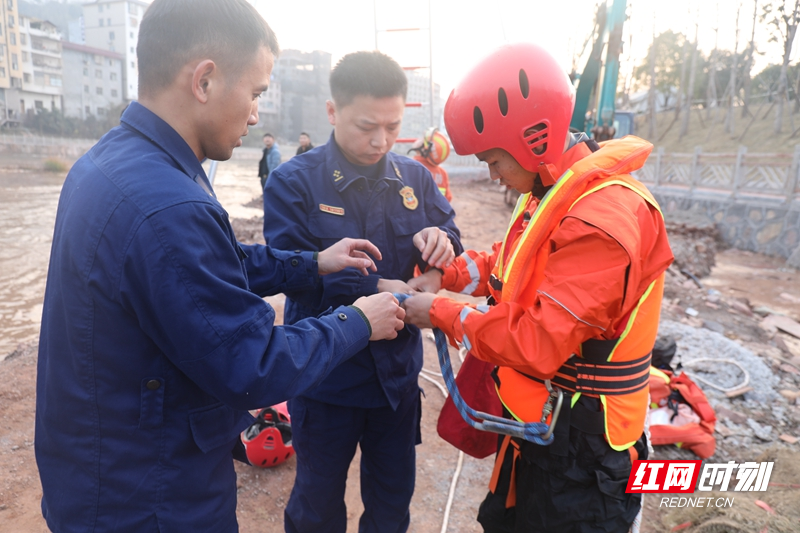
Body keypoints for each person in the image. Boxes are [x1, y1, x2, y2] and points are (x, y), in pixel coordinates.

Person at [34, 1, 406, 532]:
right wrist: (359, 321)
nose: (256, 115)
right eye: (254, 93)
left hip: (98, 470)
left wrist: (313, 265)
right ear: (205, 80)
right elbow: (254, 367)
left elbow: (207, 268)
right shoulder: (169, 204)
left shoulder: (111, 163)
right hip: (151, 496)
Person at [402, 43, 674, 533]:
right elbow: (511, 263)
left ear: (532, 139)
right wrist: (448, 275)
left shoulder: (601, 221)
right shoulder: (552, 193)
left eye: (492, 159)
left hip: (584, 458)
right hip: (548, 433)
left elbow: (535, 340)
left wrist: (439, 311)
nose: (490, 173)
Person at [262, 50, 463, 533]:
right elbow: (288, 269)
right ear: (333, 112)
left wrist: (441, 252)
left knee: (392, 504)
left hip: (395, 381)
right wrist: (376, 287)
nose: (381, 141)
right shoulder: (294, 182)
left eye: (393, 128)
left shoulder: (414, 177)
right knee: (317, 506)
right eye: (367, 126)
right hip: (325, 378)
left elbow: (450, 233)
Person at [408, 126, 453, 202]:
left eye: (422, 138)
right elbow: (448, 198)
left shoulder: (410, 167)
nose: (418, 139)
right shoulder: (443, 173)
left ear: (425, 148)